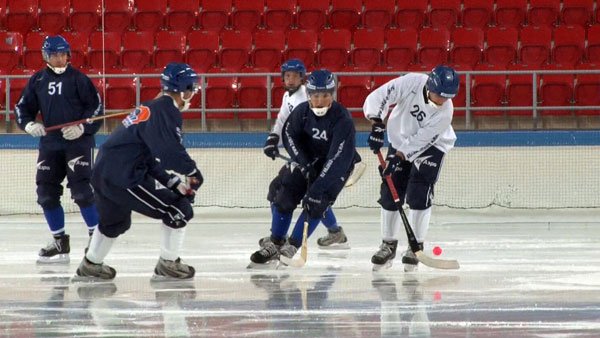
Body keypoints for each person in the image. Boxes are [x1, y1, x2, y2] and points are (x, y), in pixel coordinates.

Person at [73, 62, 203, 280]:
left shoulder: (151, 107)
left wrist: (172, 182)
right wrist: (192, 171)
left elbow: (148, 156)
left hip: (105, 172)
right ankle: (168, 263)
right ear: (184, 90)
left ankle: (91, 264)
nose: (193, 94)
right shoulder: (166, 111)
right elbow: (170, 151)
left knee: (115, 222)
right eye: (192, 89)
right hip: (123, 177)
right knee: (178, 209)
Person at [250, 69, 359, 265]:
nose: (320, 100)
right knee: (284, 195)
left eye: (325, 95)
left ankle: (293, 245)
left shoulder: (342, 119)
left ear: (332, 94)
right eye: (316, 95)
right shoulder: (301, 112)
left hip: (336, 167)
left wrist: (317, 188)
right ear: (309, 95)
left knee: (316, 203)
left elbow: (338, 159)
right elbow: (289, 135)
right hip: (309, 161)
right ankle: (275, 243)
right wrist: (303, 162)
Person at [14, 35, 103, 264]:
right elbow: (22, 109)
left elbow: (97, 109)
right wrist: (29, 125)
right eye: (54, 55)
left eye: (63, 54)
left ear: (69, 55)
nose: (59, 58)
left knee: (82, 191)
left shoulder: (80, 80)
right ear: (46, 56)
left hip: (78, 144)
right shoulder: (38, 80)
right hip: (50, 145)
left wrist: (82, 127)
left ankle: (96, 238)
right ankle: (59, 241)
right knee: (45, 194)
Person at [363, 65, 459, 271]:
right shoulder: (412, 82)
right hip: (398, 139)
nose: (441, 101)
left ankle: (416, 246)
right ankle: (388, 245)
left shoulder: (445, 112)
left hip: (432, 146)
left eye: (446, 97)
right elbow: (381, 95)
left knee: (418, 193)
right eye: (438, 96)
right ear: (430, 86)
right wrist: (377, 124)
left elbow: (422, 140)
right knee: (390, 190)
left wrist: (399, 158)